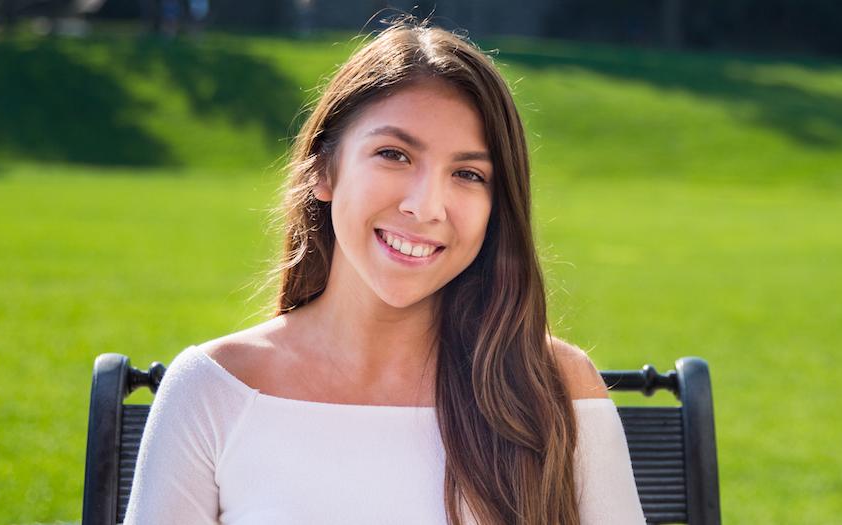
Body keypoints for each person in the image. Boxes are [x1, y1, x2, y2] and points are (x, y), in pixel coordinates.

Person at [121, 20, 646, 525]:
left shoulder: (551, 386)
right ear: (324, 171)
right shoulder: (214, 390)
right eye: (394, 155)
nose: (426, 206)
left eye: (467, 174)